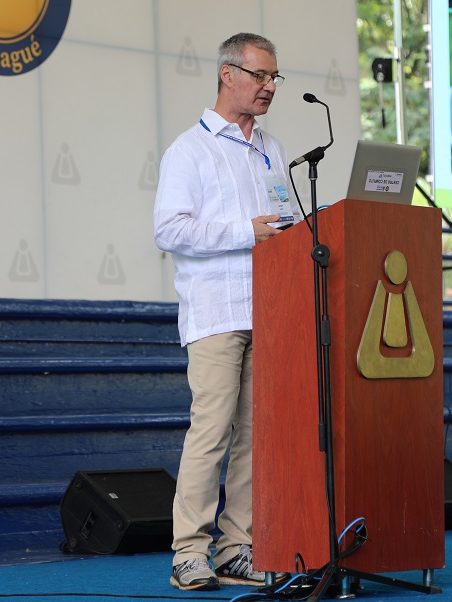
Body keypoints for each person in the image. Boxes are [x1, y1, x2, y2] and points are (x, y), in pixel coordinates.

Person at [153, 32, 301, 591]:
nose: (269, 88)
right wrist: (248, 232)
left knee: (256, 439)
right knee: (210, 433)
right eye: (261, 76)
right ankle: (189, 552)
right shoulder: (188, 150)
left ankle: (238, 545)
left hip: (268, 310)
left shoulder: (273, 148)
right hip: (216, 312)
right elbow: (169, 229)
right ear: (227, 75)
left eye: (274, 78)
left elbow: (282, 220)